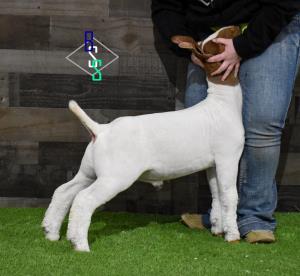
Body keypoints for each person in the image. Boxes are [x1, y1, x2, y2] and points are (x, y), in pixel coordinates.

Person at [151, 0, 300, 243]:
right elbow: (165, 7)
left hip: (268, 22)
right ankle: (219, 215)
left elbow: (284, 3)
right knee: (205, 130)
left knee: (263, 120)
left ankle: (255, 217)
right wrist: (191, 49)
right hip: (209, 34)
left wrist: (242, 46)